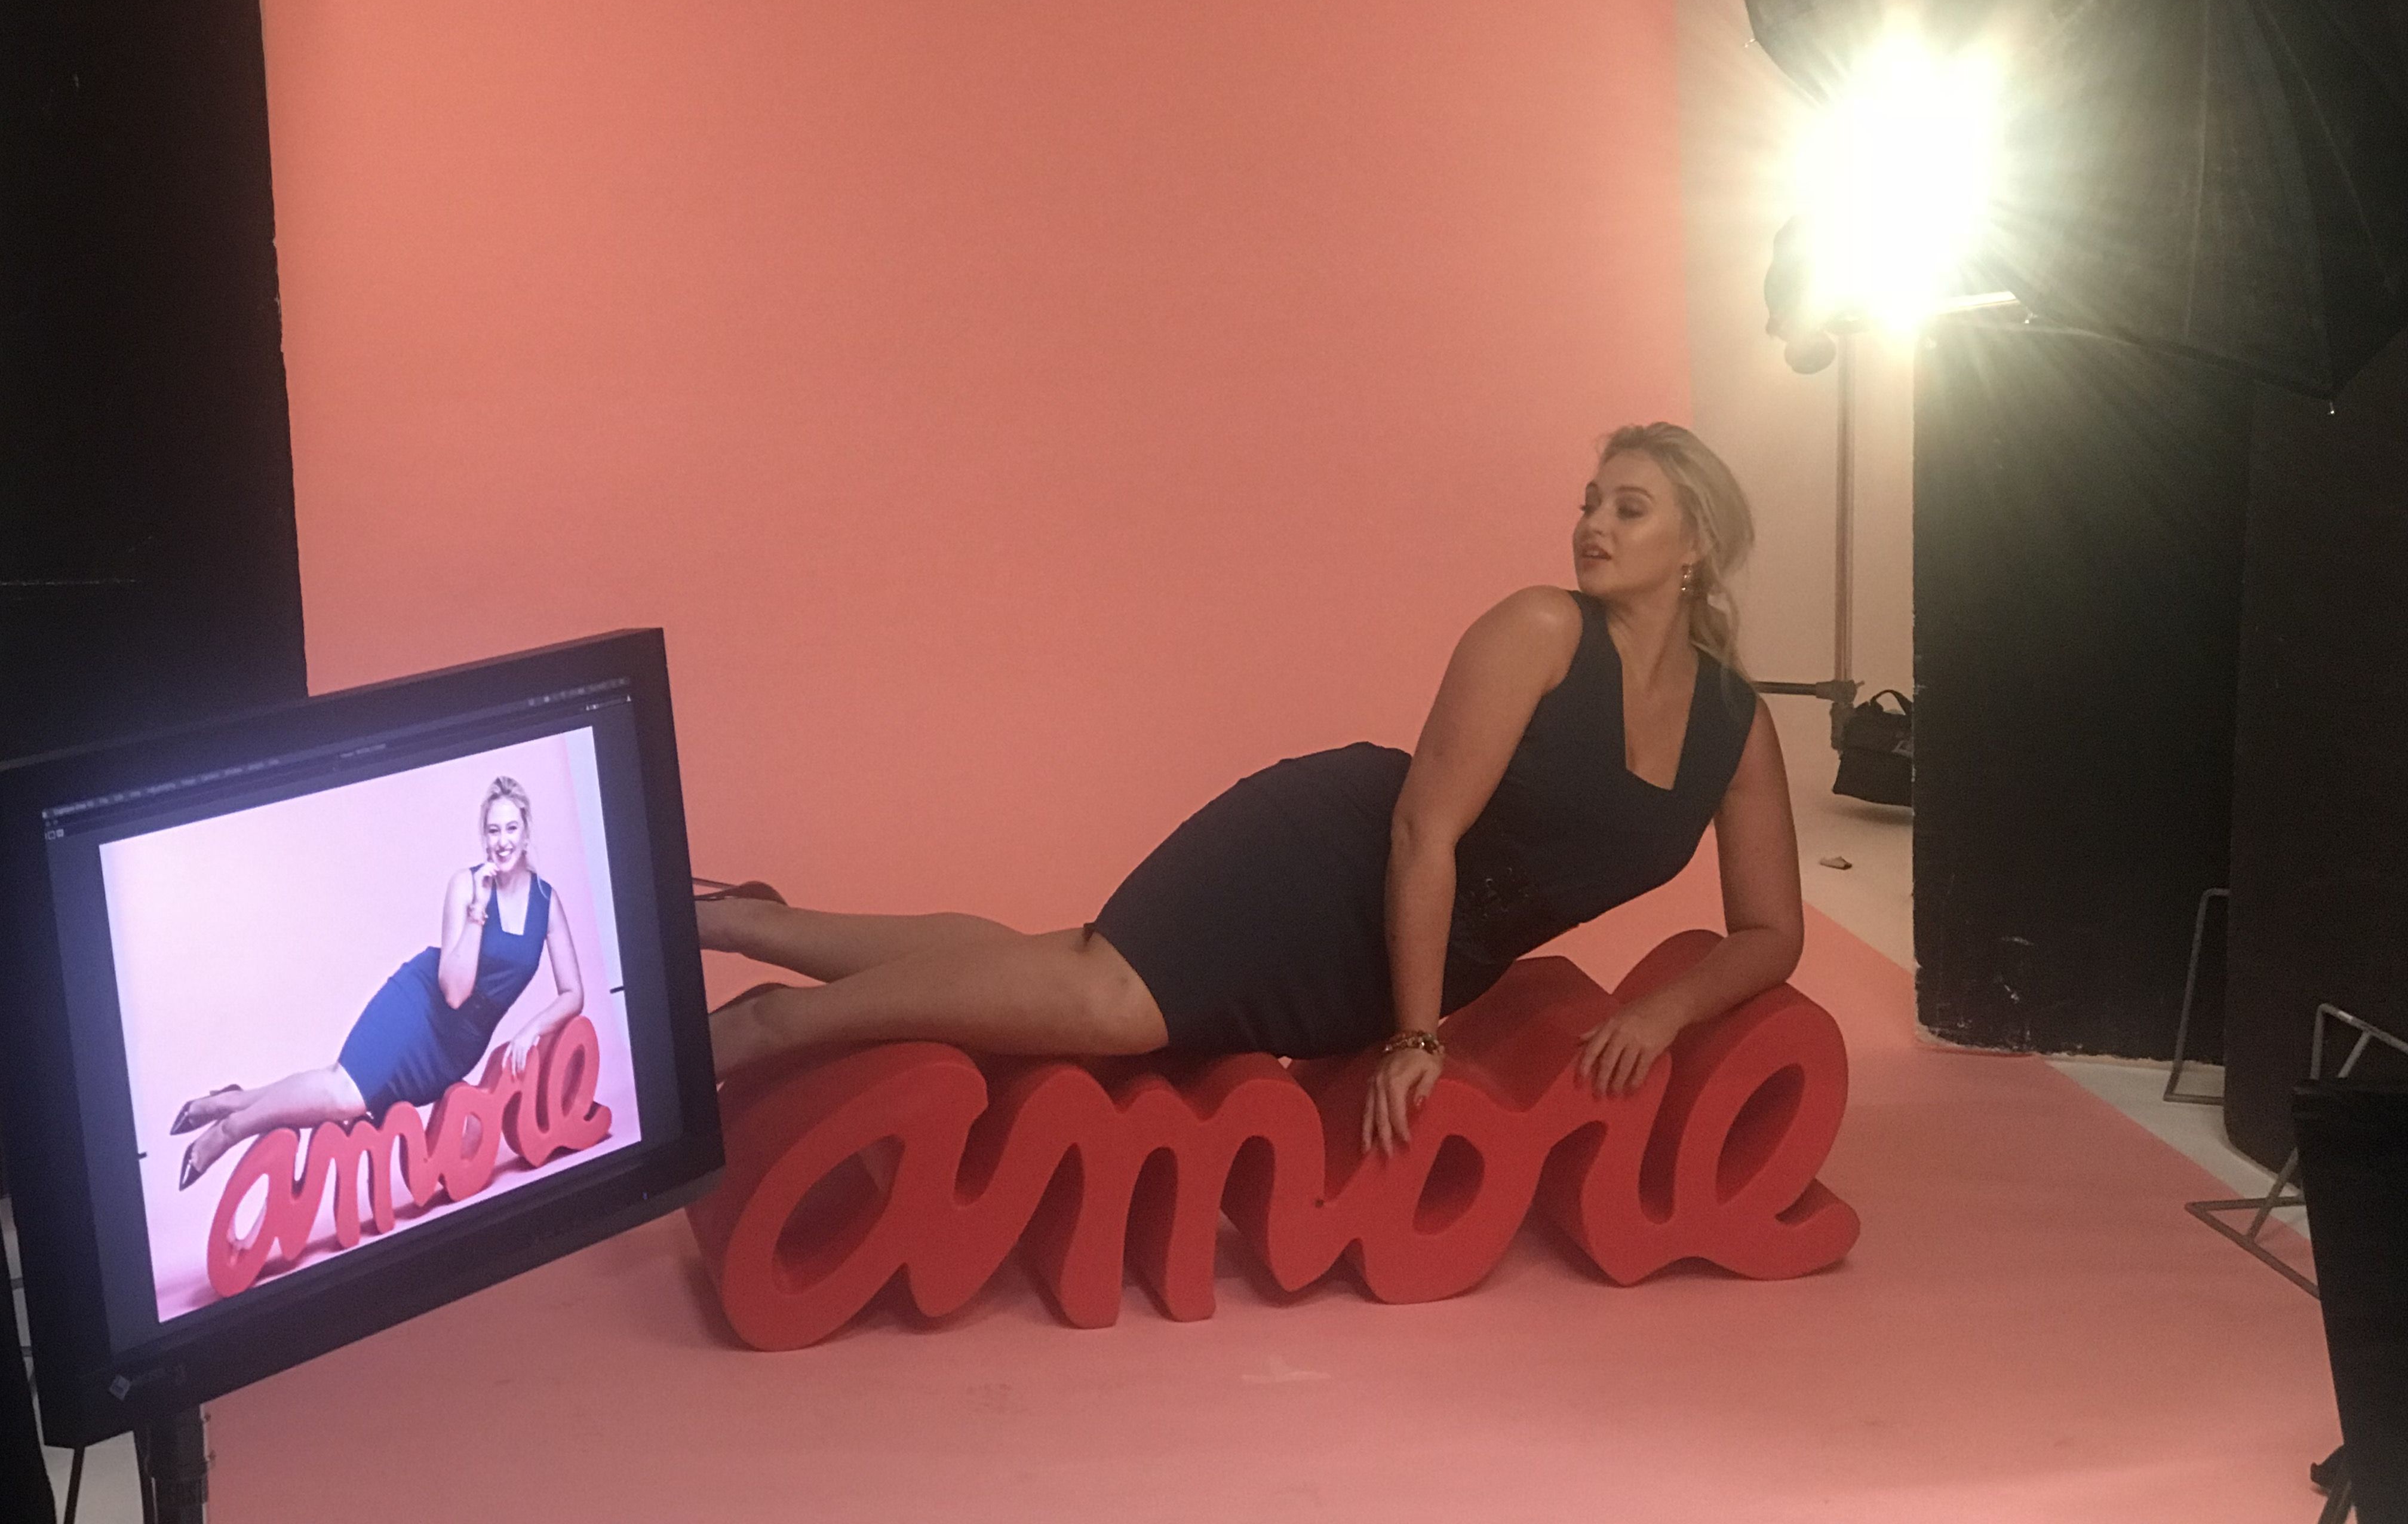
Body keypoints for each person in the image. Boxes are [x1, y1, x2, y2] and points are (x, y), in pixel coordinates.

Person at [702, 422, 1804, 1161]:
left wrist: (1663, 1009)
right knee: (1104, 1000)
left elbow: (1770, 931)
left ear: (1696, 545)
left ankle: (751, 919)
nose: (1592, 527)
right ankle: (771, 1028)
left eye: (1629, 509)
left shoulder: (1736, 728)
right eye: (1591, 503)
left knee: (1067, 970)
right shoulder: (1542, 628)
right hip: (1328, 863)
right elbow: (1423, 834)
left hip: (1412, 956)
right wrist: (1417, 1040)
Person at [171, 775, 588, 1189]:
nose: (503, 841)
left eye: (511, 828)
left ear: (527, 832)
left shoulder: (546, 903)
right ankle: (229, 1131)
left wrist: (531, 1030)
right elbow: (454, 992)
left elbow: (574, 994)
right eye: (493, 830)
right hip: (421, 1004)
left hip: (458, 1046)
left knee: (337, 1086)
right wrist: (479, 910)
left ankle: (231, 1101)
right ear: (484, 836)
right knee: (343, 1092)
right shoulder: (466, 885)